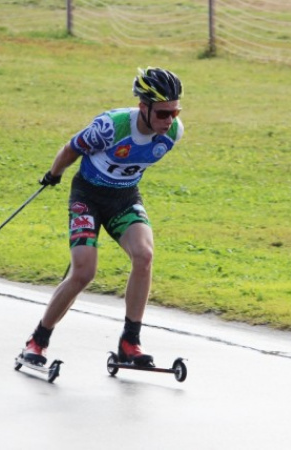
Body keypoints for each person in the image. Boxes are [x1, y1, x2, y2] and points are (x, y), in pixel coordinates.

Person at [20, 67, 184, 368]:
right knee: (83, 272)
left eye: (174, 112)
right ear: (142, 107)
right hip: (88, 198)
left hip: (123, 199)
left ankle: (130, 342)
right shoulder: (111, 126)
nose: (169, 120)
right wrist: (53, 175)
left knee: (144, 255)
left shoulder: (173, 133)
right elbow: (72, 149)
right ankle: (37, 341)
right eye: (162, 113)